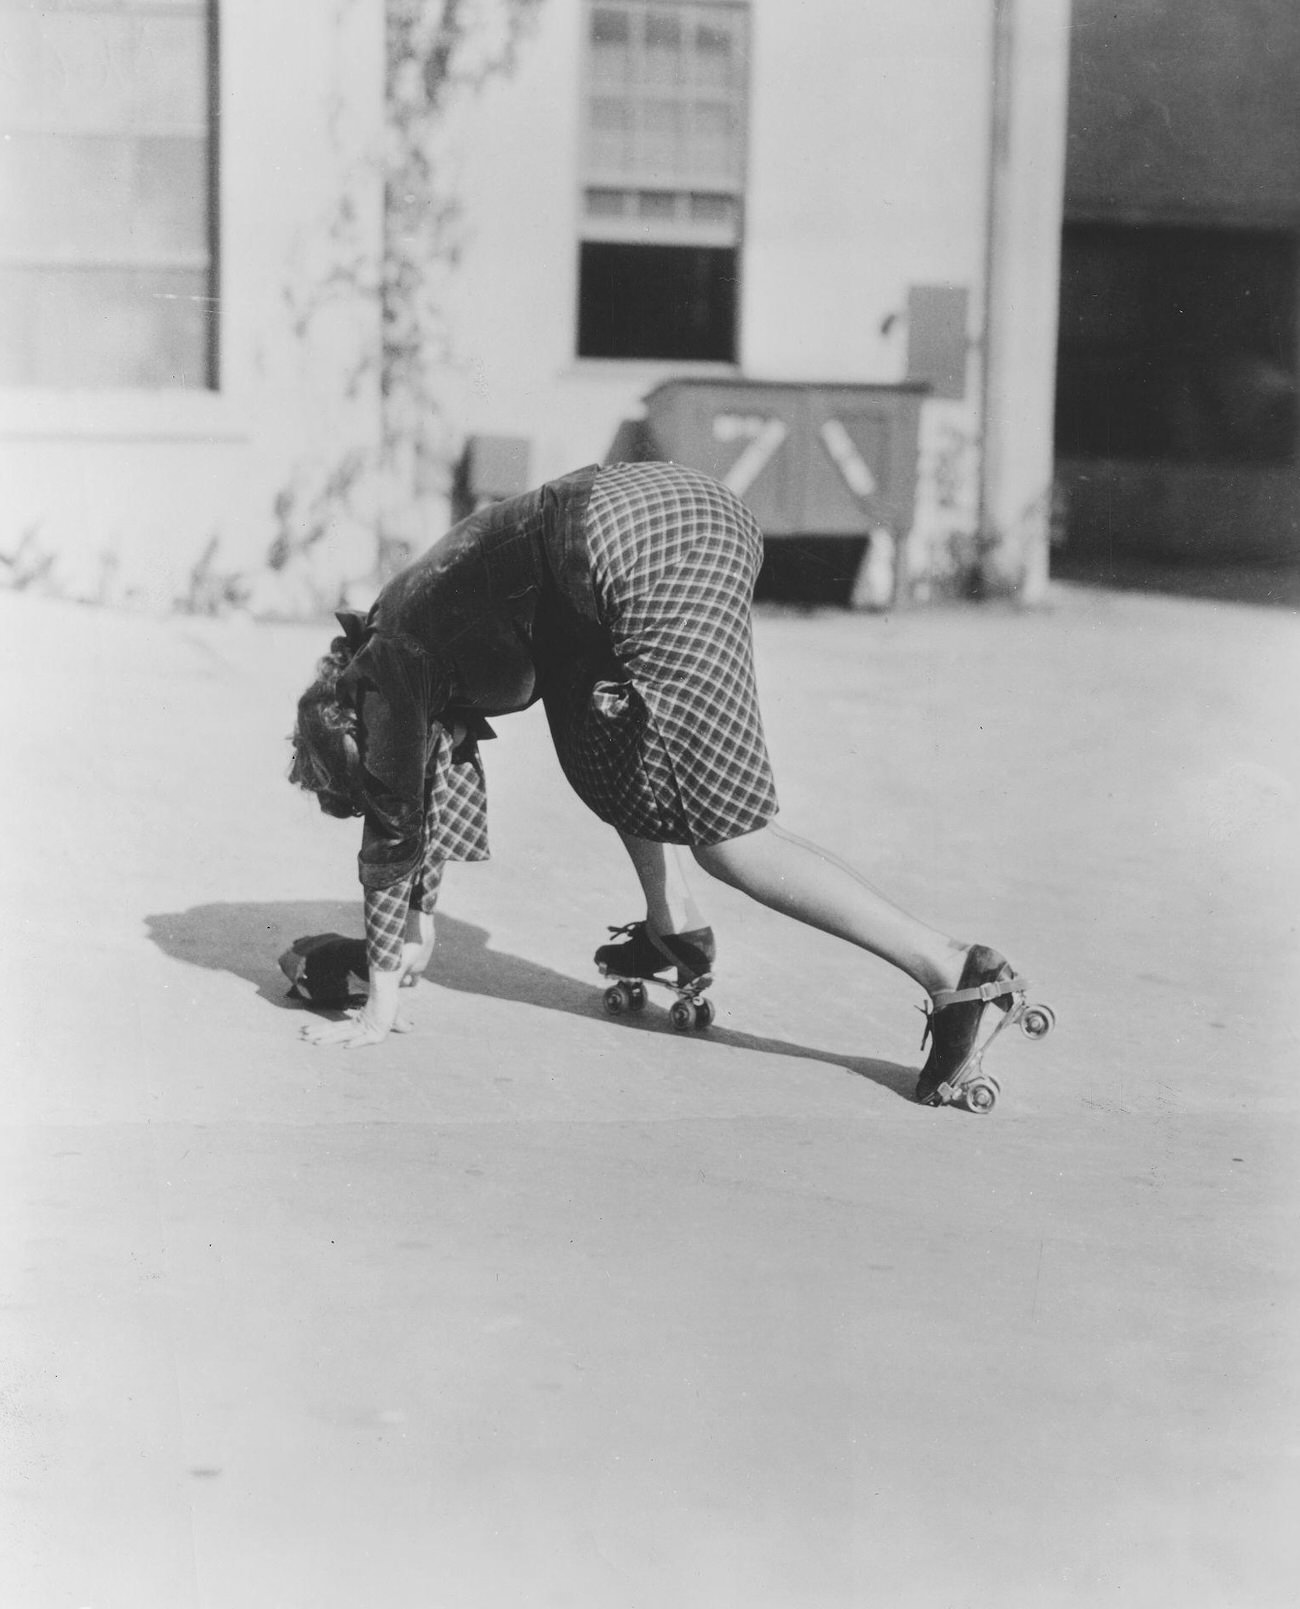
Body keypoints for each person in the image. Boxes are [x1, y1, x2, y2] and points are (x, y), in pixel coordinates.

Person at [288, 459, 1027, 1104]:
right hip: (655, 513)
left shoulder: (384, 674)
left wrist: (378, 1008)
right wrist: (413, 935)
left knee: (733, 843)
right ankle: (673, 924)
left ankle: (954, 971)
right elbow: (425, 808)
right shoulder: (402, 630)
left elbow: (395, 827)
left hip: (641, 548)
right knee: (595, 741)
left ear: (355, 735)